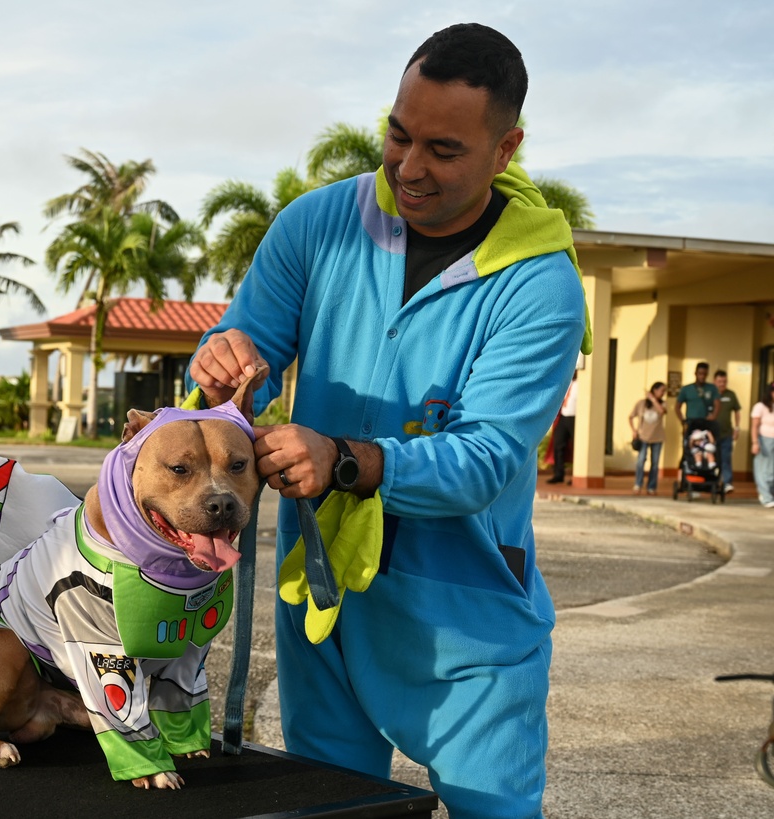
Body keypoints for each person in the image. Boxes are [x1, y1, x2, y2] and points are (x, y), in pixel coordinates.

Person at [188, 23, 589, 819]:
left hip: (466, 623)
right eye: (397, 134)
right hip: (325, 604)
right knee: (327, 805)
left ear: (505, 150)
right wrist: (222, 362)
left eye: (443, 149)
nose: (408, 167)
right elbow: (241, 346)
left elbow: (483, 460)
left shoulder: (541, 287)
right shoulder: (317, 224)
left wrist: (345, 458)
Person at [629, 381, 667, 495]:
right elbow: (630, 417)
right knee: (641, 461)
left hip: (657, 438)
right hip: (643, 437)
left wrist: (653, 399)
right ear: (654, 390)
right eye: (661, 391)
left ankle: (651, 487)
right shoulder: (641, 404)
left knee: (655, 463)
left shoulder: (663, 404)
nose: (663, 393)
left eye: (664, 391)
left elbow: (662, 411)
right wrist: (634, 430)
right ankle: (638, 484)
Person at [712, 369, 741, 493]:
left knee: (725, 458)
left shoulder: (731, 394)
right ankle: (712, 482)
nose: (722, 384)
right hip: (711, 434)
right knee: (713, 459)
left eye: (724, 381)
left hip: (726, 434)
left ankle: (727, 482)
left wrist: (737, 428)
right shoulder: (711, 393)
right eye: (719, 381)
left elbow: (737, 411)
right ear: (714, 381)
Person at [547, 370, 578, 484]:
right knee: (558, 444)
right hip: (564, 416)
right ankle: (558, 474)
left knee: (577, 448)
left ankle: (575, 476)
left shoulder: (581, 384)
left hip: (576, 418)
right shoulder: (568, 382)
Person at [675, 362, 719, 438]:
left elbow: (717, 404)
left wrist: (713, 416)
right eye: (700, 373)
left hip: (706, 422)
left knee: (707, 447)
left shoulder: (712, 388)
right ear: (695, 373)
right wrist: (683, 421)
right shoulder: (686, 389)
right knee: (689, 447)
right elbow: (677, 407)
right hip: (691, 422)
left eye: (704, 374)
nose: (702, 376)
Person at [749, 382, 774, 508]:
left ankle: (769, 493)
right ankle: (765, 496)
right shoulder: (760, 406)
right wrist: (755, 442)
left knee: (771, 471)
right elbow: (754, 426)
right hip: (764, 439)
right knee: (762, 469)